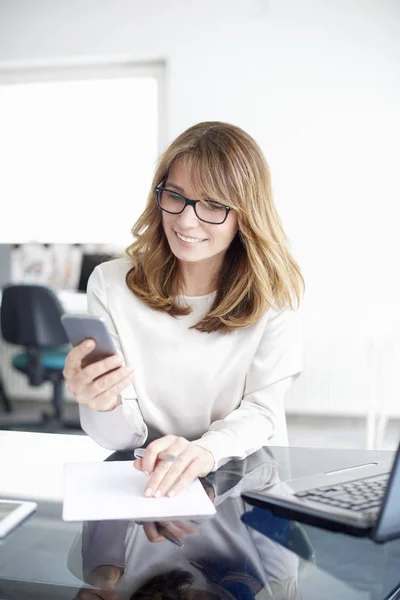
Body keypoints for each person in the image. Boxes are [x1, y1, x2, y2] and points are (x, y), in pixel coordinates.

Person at [63, 121, 304, 499]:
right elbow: (118, 438)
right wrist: (102, 402)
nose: (186, 220)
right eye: (175, 196)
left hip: (241, 479)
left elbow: (262, 412)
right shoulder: (111, 284)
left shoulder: (273, 295)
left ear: (246, 213)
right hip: (143, 480)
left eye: (213, 205)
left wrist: (205, 451)